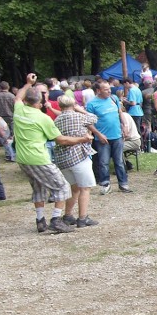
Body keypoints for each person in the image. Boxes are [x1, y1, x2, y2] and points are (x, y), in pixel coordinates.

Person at [13, 74, 93, 233]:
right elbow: (61, 140)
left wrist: (28, 83)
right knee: (63, 187)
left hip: (22, 159)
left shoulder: (19, 110)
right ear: (40, 102)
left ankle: (40, 221)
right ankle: (56, 220)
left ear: (26, 101)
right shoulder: (43, 118)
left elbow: (18, 97)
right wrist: (82, 139)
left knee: (39, 189)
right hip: (38, 158)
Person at [53, 95, 99, 227]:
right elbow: (94, 118)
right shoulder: (79, 116)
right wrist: (81, 110)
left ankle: (68, 215)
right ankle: (83, 218)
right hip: (79, 155)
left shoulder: (57, 120)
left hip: (63, 158)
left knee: (74, 188)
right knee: (85, 187)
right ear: (74, 105)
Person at [85, 80, 132, 194]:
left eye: (109, 89)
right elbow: (88, 123)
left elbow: (119, 112)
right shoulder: (92, 104)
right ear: (98, 91)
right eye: (106, 89)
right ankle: (105, 184)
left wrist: (125, 125)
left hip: (117, 135)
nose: (109, 91)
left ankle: (123, 183)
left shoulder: (114, 98)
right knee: (103, 162)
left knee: (119, 161)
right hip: (103, 138)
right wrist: (98, 134)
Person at [0, 81, 16, 161]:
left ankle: (9, 155)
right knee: (12, 136)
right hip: (11, 117)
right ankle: (13, 153)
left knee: (4, 137)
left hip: (0, 119)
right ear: (8, 87)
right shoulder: (12, 96)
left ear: (0, 88)